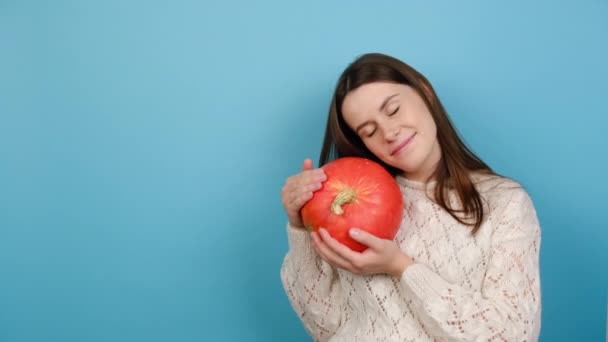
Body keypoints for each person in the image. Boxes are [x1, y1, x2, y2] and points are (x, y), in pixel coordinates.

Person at [279, 52, 542, 341]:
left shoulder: (504, 203)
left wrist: (401, 267)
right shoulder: (351, 206)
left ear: (425, 92)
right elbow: (325, 327)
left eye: (393, 110)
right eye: (369, 131)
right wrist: (300, 224)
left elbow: (514, 335)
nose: (389, 133)